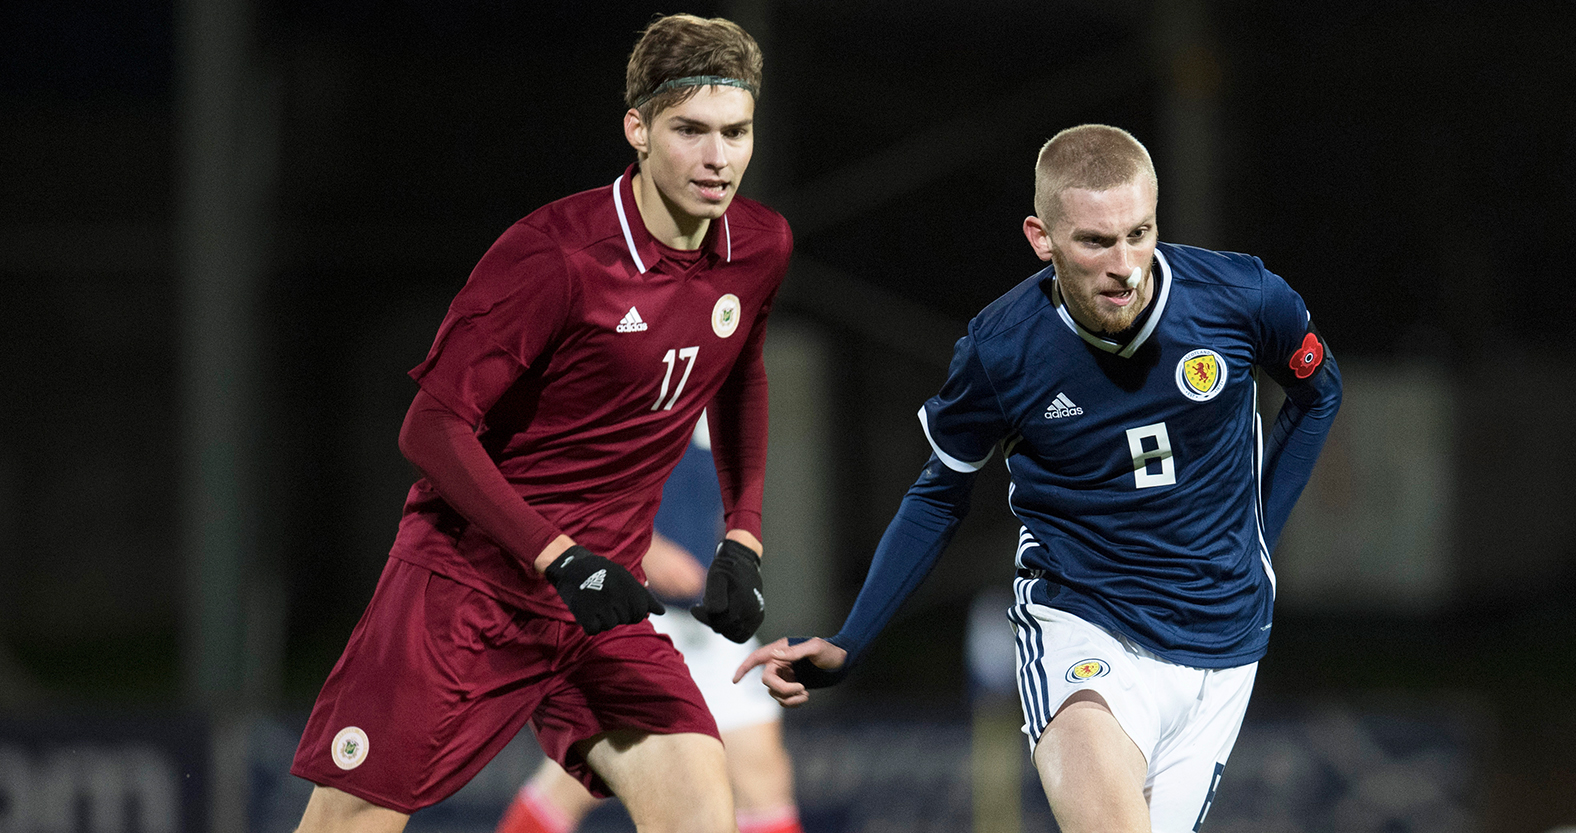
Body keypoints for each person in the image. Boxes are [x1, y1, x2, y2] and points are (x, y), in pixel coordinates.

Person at [739, 125, 1342, 833]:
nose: (1125, 265)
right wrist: (851, 640)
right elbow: (938, 495)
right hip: (1085, 625)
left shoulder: (1241, 296)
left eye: (1139, 233)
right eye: (1095, 242)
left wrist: (1258, 536)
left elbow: (1318, 393)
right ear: (1041, 238)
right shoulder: (1002, 350)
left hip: (1224, 642)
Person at [290, 14, 791, 833]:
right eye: (690, 130)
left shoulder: (758, 246)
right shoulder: (554, 256)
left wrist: (744, 536)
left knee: (702, 808)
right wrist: (560, 557)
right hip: (467, 590)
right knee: (349, 821)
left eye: (734, 132)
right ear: (637, 130)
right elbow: (430, 427)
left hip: (602, 607)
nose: (717, 157)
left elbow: (741, 376)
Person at [497, 419, 803, 833]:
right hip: (628, 605)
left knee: (763, 778)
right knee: (579, 782)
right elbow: (563, 468)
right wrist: (644, 549)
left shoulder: (724, 387)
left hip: (702, 620)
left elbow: (715, 488)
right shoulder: (633, 382)